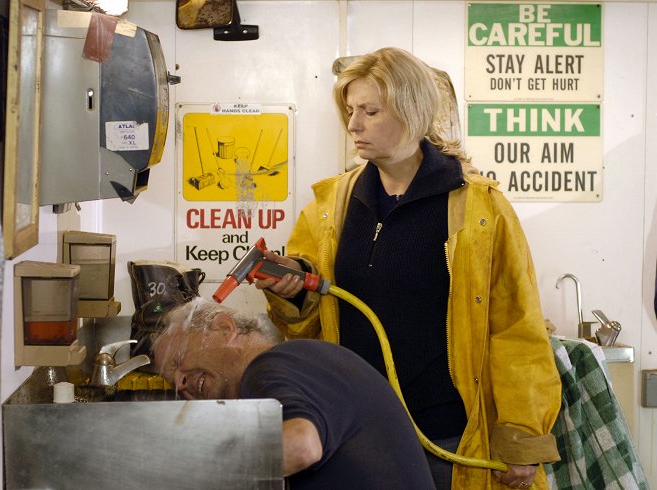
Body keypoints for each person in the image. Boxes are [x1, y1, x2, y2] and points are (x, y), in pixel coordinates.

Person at [254, 47, 562, 489]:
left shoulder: (478, 209)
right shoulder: (331, 207)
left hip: (449, 440)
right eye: (351, 110)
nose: (353, 125)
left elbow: (517, 330)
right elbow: (312, 325)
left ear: (414, 112)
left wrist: (522, 438)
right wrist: (293, 290)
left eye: (370, 111)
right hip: (354, 434)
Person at [152, 297, 437, 490]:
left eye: (178, 361)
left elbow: (302, 446)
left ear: (225, 329)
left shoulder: (271, 365)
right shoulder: (302, 362)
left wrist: (191, 472)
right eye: (171, 379)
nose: (180, 383)